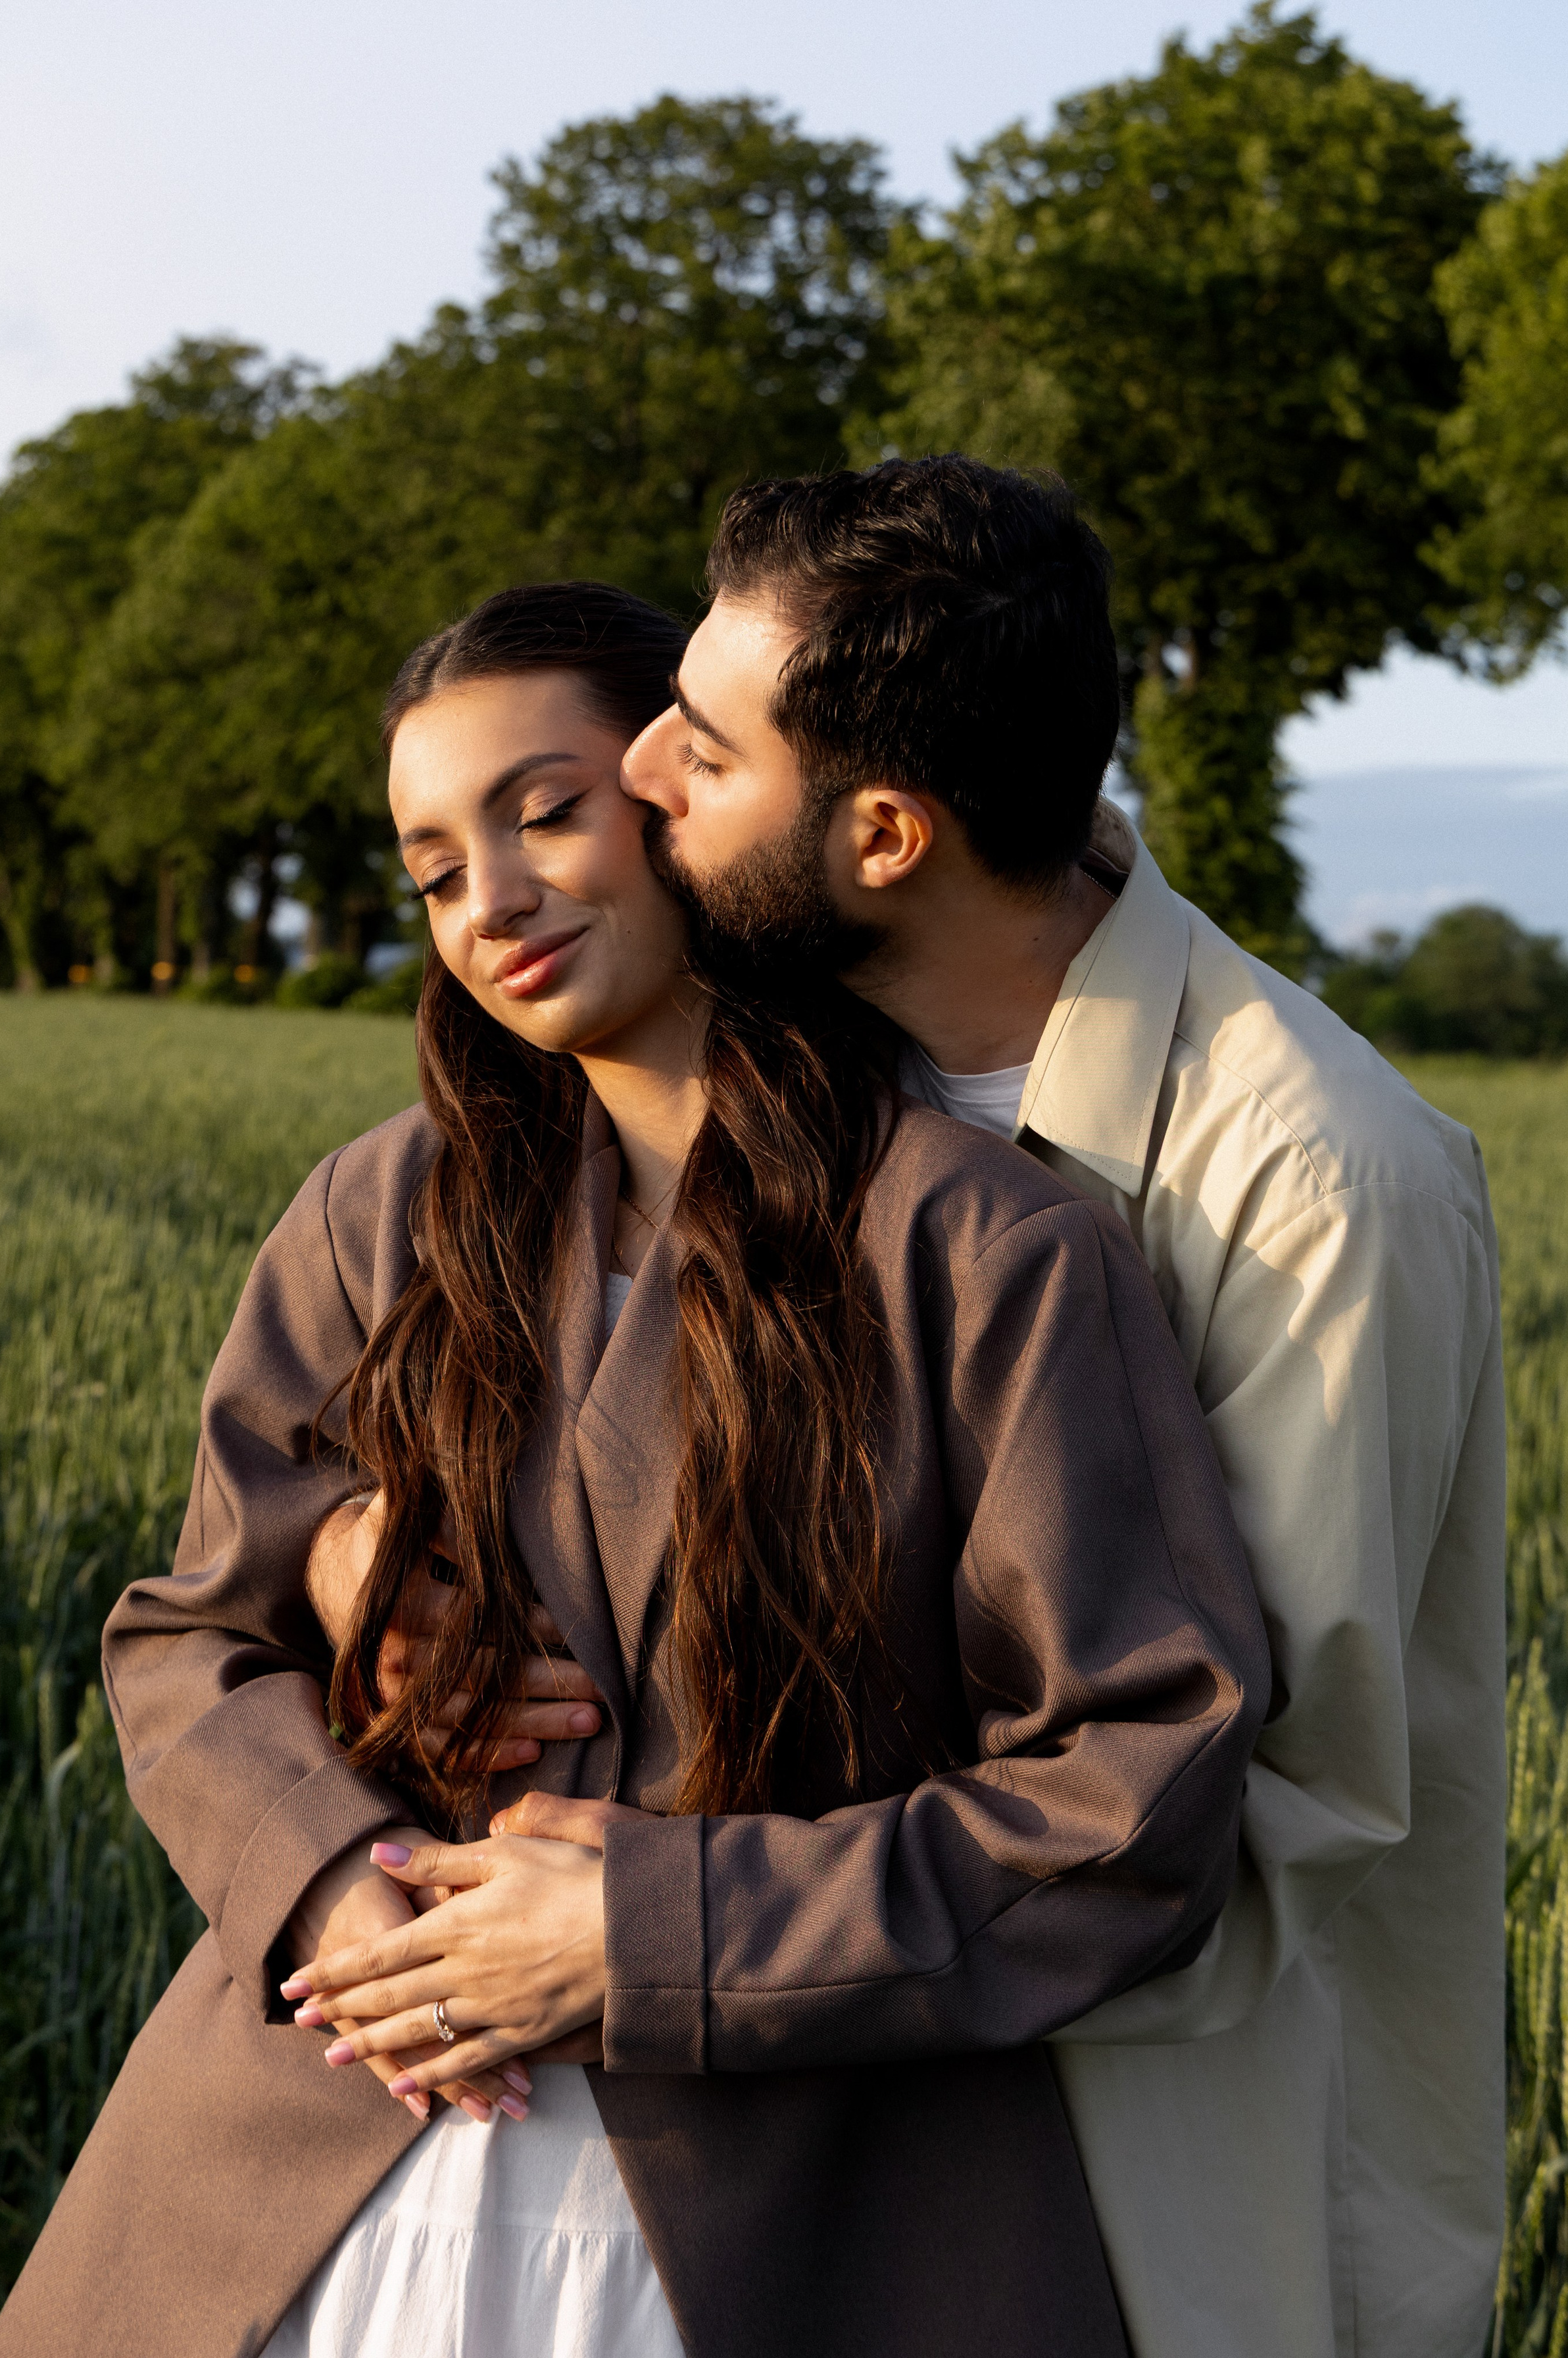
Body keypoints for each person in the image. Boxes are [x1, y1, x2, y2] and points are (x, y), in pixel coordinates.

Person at [0, 582, 1269, 2358]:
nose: (489, 901)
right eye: (434, 866)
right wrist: (336, 1880)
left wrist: (655, 1936)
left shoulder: (988, 1251)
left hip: (796, 2199)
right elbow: (189, 1642)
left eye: (543, 812)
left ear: (679, 795)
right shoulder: (377, 1216)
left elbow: (1142, 1785)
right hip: (322, 2127)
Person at [579, 457, 1505, 2358]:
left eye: (705, 745)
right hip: (792, 2141)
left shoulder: (1320, 1184)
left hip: (1161, 2207)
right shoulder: (783, 1055)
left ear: (888, 836)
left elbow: (1259, 1818)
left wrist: (666, 1931)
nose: (639, 777)